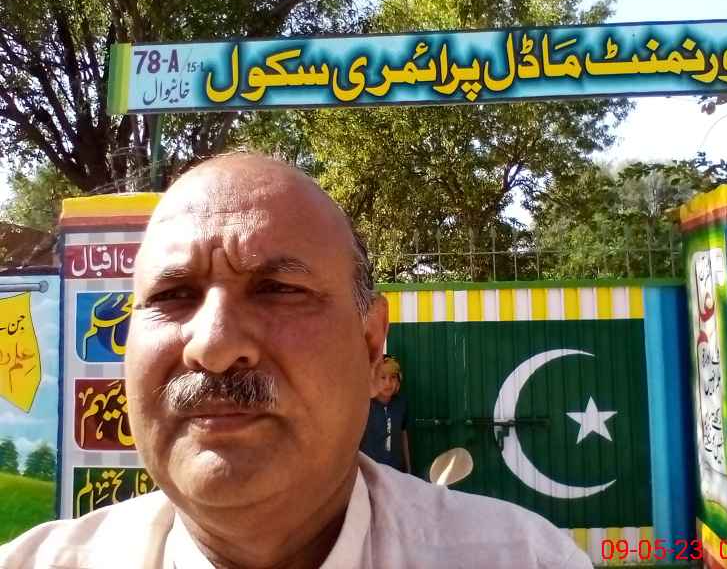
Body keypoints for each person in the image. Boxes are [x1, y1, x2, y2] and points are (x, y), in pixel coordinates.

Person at [0, 152, 592, 568]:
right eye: (173, 295)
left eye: (277, 290)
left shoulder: (522, 559)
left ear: (370, 345)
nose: (213, 346)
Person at [359, 354, 411, 472]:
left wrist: (409, 469)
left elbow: (403, 436)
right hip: (370, 472)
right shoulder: (365, 405)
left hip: (396, 471)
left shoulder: (401, 403)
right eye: (383, 377)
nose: (388, 383)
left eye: (393, 377)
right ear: (373, 379)